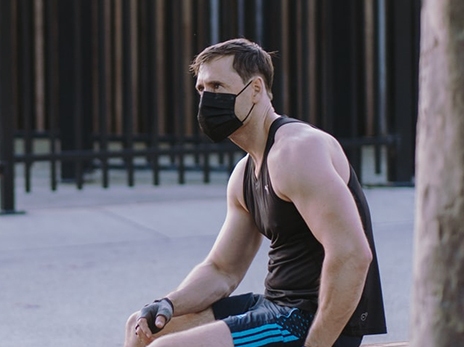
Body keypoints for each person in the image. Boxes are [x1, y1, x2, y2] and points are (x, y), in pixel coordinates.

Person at [122, 38, 386, 347]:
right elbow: (222, 270)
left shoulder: (296, 151)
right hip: (273, 308)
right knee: (142, 328)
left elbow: (352, 254)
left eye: (218, 86)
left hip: (307, 319)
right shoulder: (244, 174)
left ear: (256, 89)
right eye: (202, 89)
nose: (208, 98)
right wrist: (168, 304)